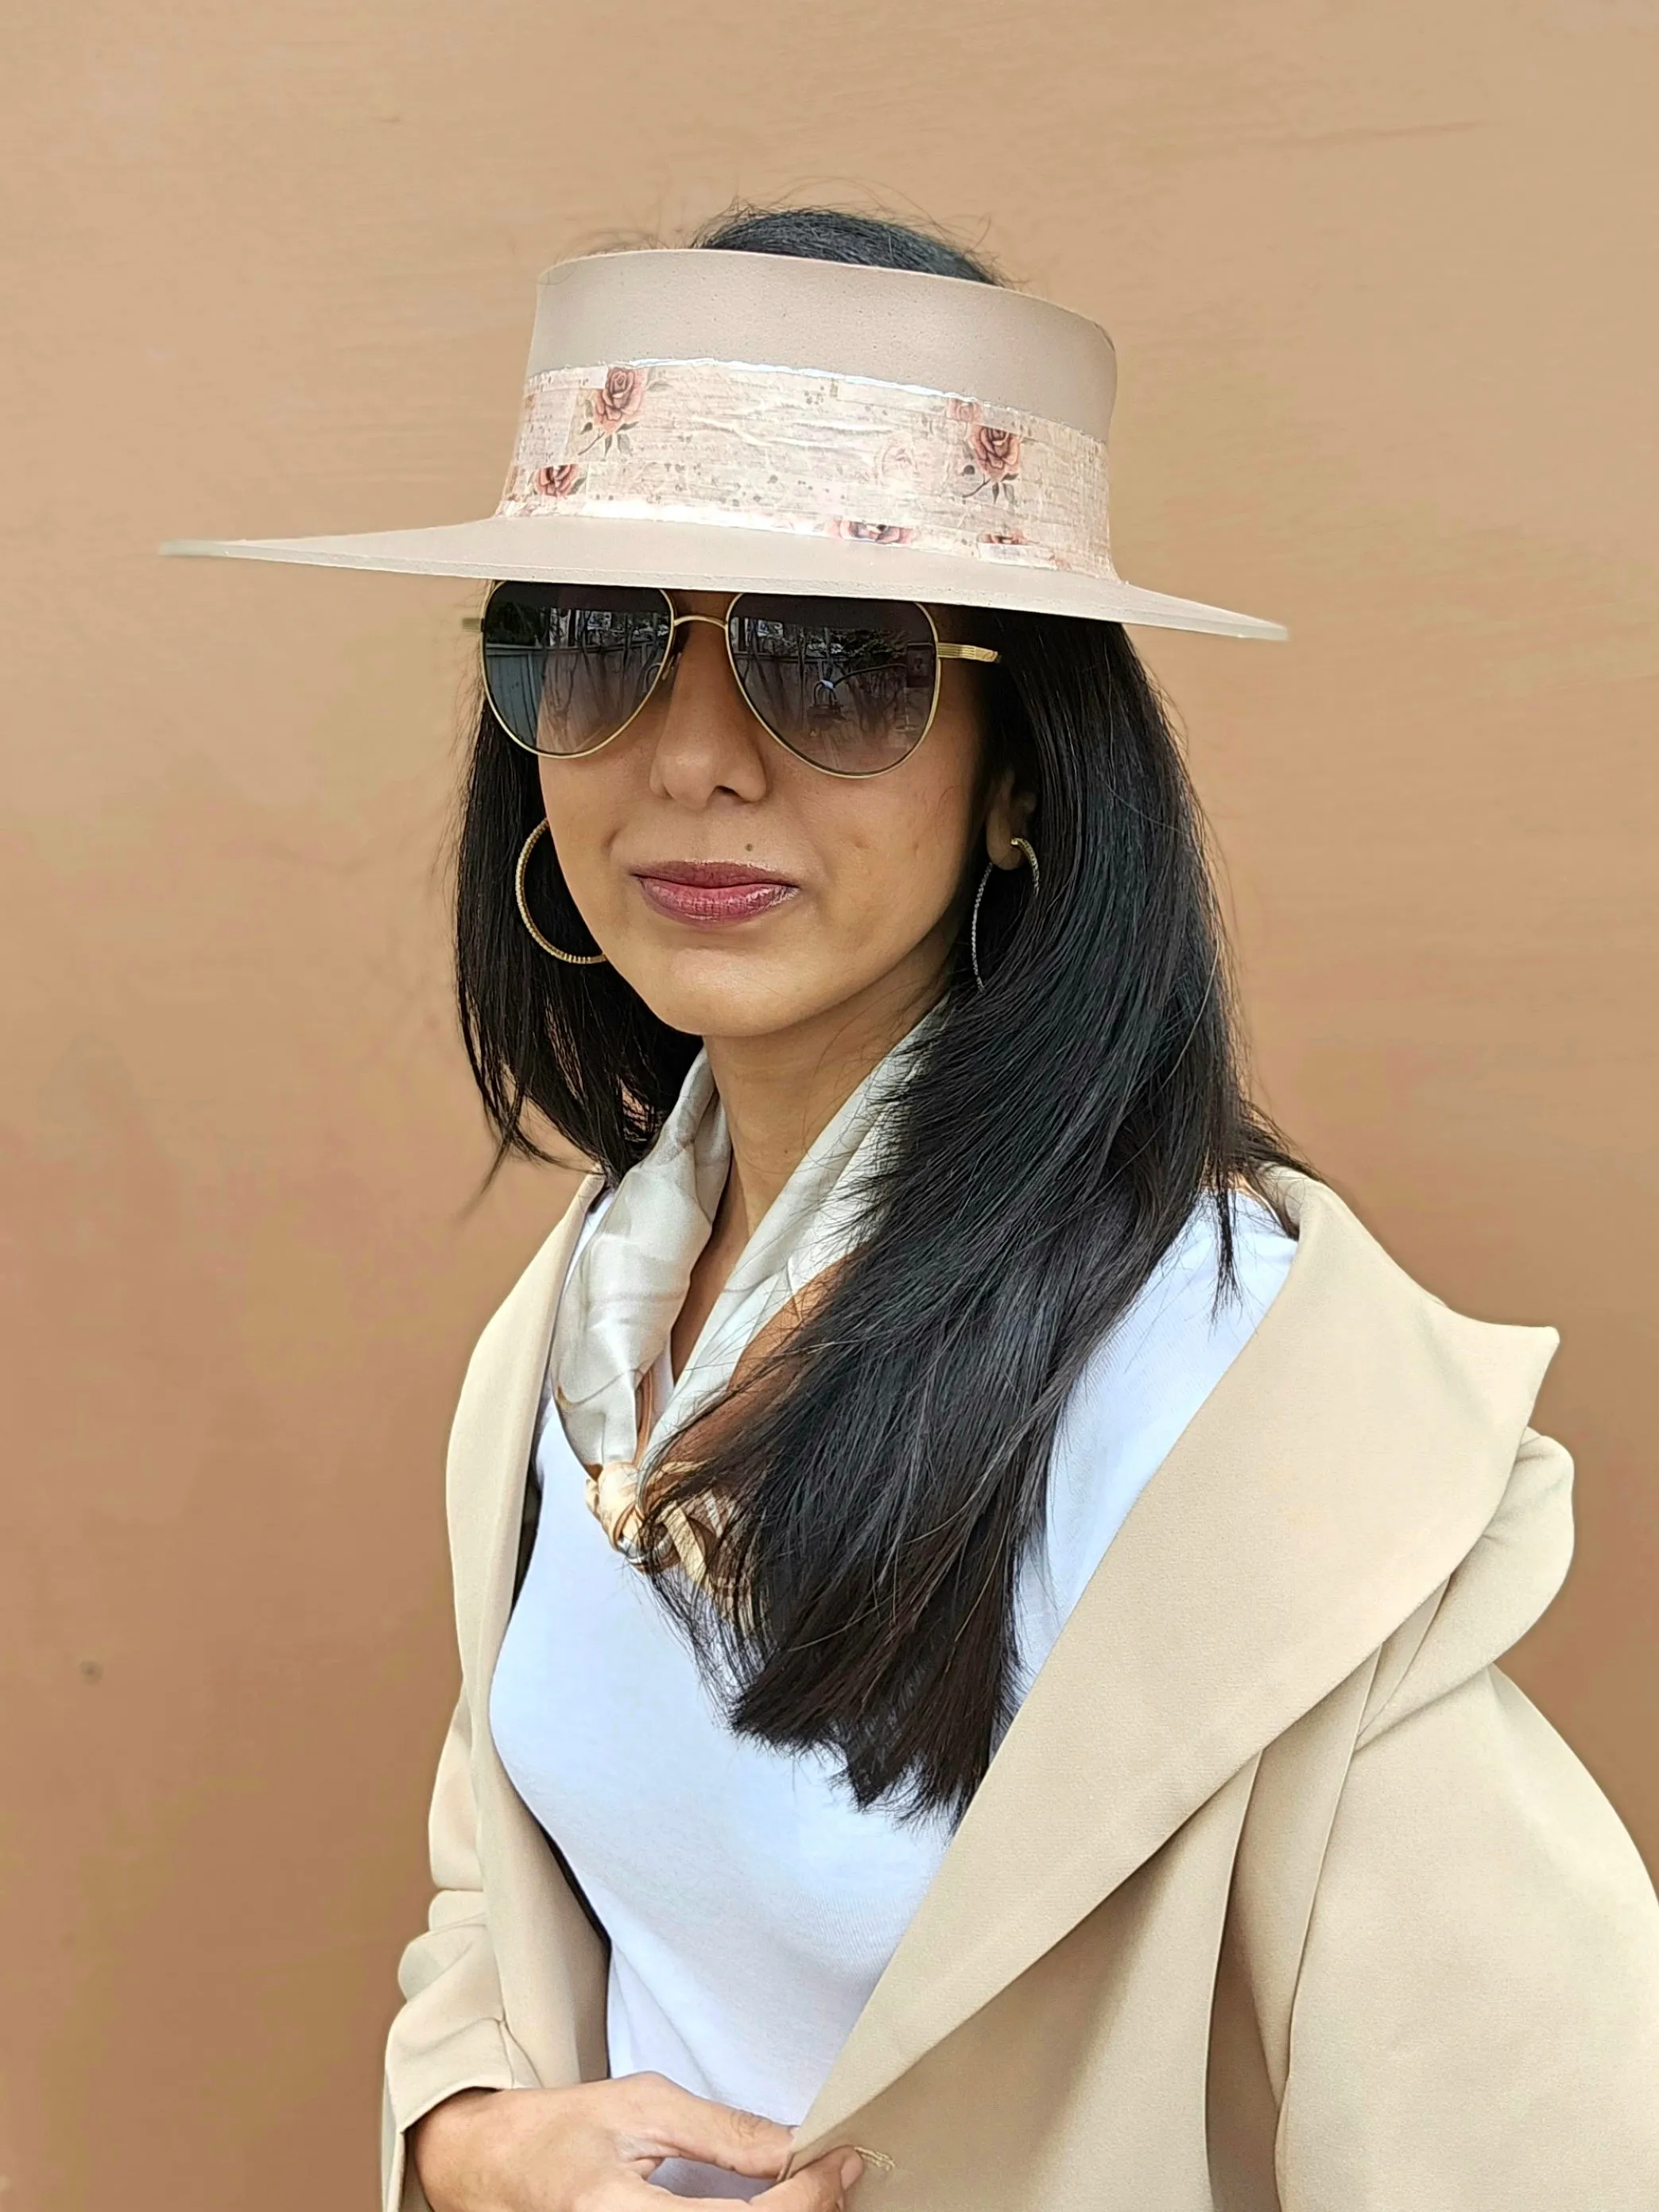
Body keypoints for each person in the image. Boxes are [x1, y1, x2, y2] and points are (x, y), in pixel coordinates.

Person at [165, 207, 1659, 2212]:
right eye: (598, 643)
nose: (692, 756)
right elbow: (506, 1864)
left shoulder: (1224, 1406)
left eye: (836, 663)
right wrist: (466, 2143)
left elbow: (1538, 2132)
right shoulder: (593, 1312)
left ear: (1023, 763)